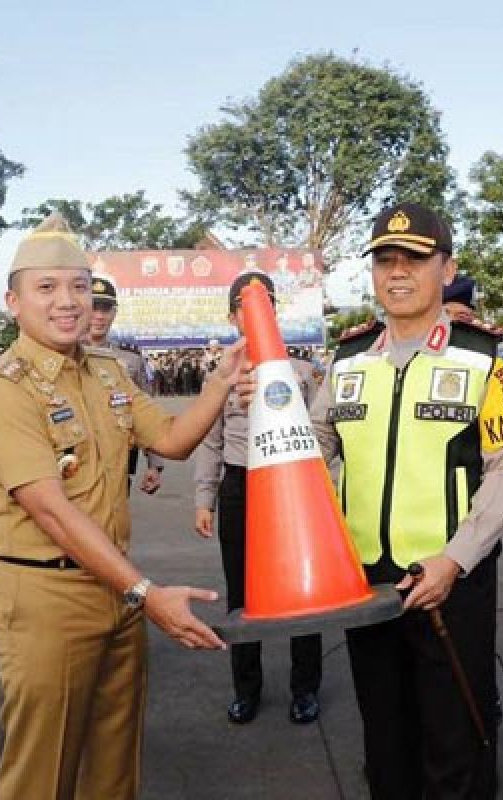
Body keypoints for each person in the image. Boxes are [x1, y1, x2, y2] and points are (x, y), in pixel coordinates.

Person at [0, 213, 248, 800]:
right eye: (46, 288)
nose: (67, 302)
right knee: (42, 775)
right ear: (13, 301)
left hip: (114, 587)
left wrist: (219, 385)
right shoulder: (3, 387)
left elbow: (170, 439)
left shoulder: (107, 370)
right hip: (47, 597)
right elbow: (51, 513)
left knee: (114, 770)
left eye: (76, 286)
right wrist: (147, 594)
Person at [311, 202, 503, 799]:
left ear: (446, 267)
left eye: (414, 258)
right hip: (363, 583)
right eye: (385, 259)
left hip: (449, 580)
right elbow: (313, 446)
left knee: (454, 739)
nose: (398, 272)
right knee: (384, 740)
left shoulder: (484, 355)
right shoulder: (347, 357)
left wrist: (455, 560)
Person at [194, 271, 323, 725]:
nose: (252, 316)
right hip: (241, 485)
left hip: (291, 492)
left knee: (302, 589)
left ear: (273, 313)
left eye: (263, 307)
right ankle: (246, 690)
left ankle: (305, 689)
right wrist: (203, 498)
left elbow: (321, 438)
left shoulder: (303, 370)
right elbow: (210, 440)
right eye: (244, 309)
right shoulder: (222, 373)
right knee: (241, 593)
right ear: (232, 317)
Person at [84, 274, 165, 495]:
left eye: (106, 309)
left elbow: (147, 415)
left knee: (115, 524)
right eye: (93, 308)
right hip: (77, 458)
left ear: (114, 313)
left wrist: (154, 465)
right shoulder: (63, 354)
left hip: (120, 457)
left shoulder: (130, 359)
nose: (99, 316)